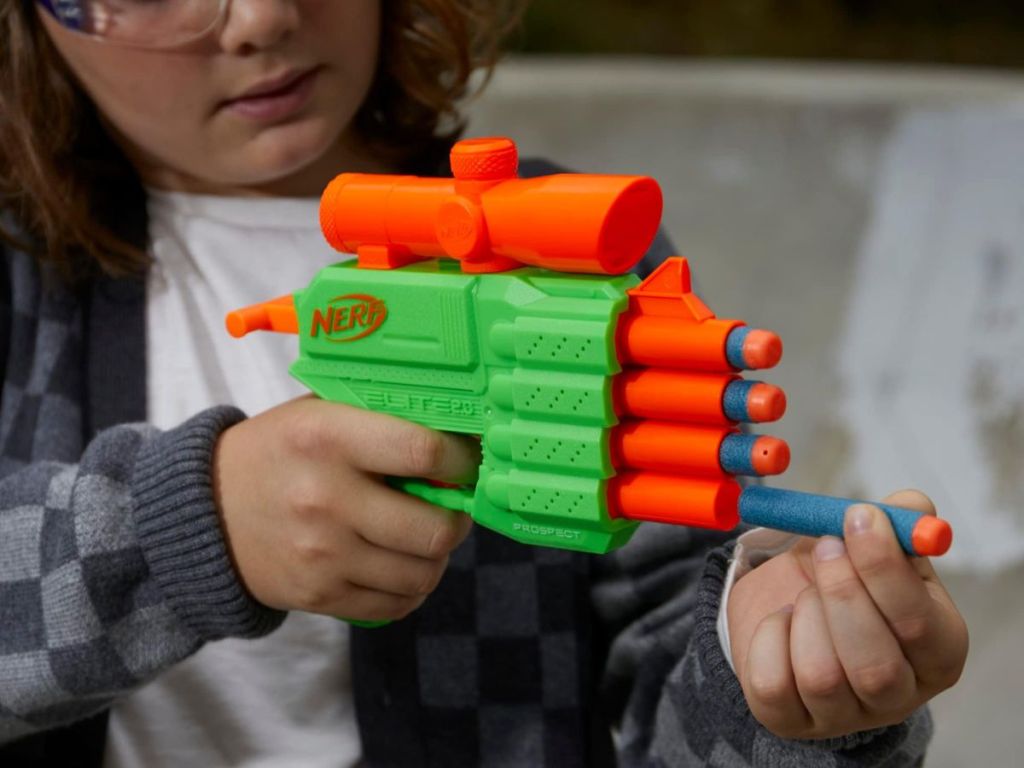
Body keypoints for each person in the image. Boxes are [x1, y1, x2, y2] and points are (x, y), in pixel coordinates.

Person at [0, 1, 967, 766]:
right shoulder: (24, 273)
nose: (260, 17)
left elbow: (674, 673)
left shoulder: (573, 260)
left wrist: (782, 698)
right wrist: (184, 531)